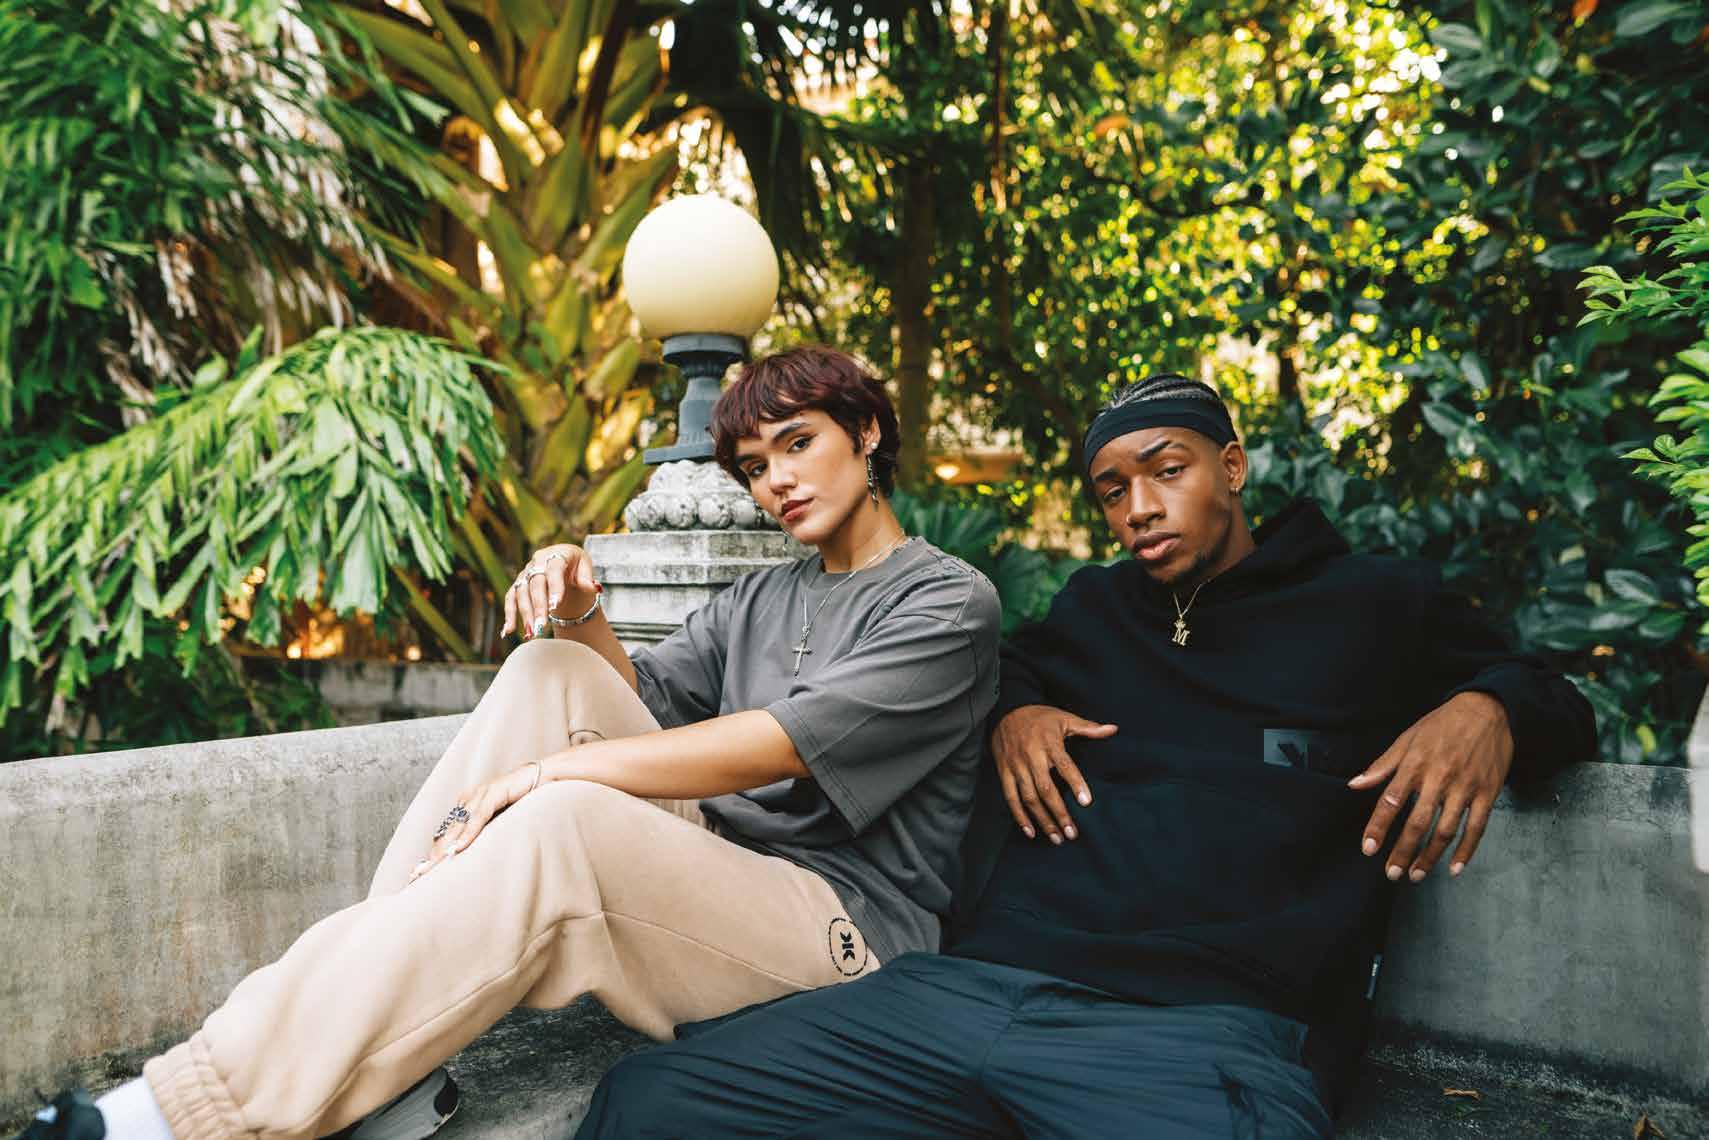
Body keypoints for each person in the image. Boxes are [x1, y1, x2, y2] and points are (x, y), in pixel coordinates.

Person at [575, 372, 1597, 1138]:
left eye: (1166, 470)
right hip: (964, 992)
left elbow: (1555, 696)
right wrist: (1016, 712)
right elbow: (993, 669)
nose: (1138, 507)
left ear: (1231, 466)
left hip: (1204, 1026)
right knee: (651, 1099)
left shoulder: (1373, 602)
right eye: (1111, 490)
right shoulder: (1091, 611)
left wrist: (1486, 708)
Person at [17, 346, 1001, 1140]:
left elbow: (779, 745)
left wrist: (547, 774)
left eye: (797, 443)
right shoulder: (762, 595)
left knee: (563, 817)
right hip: (716, 875)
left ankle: (175, 1115)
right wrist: (579, 605)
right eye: (753, 467)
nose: (776, 480)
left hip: (843, 932)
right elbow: (636, 703)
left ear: (866, 433)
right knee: (547, 669)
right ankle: (382, 1030)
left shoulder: (947, 602)